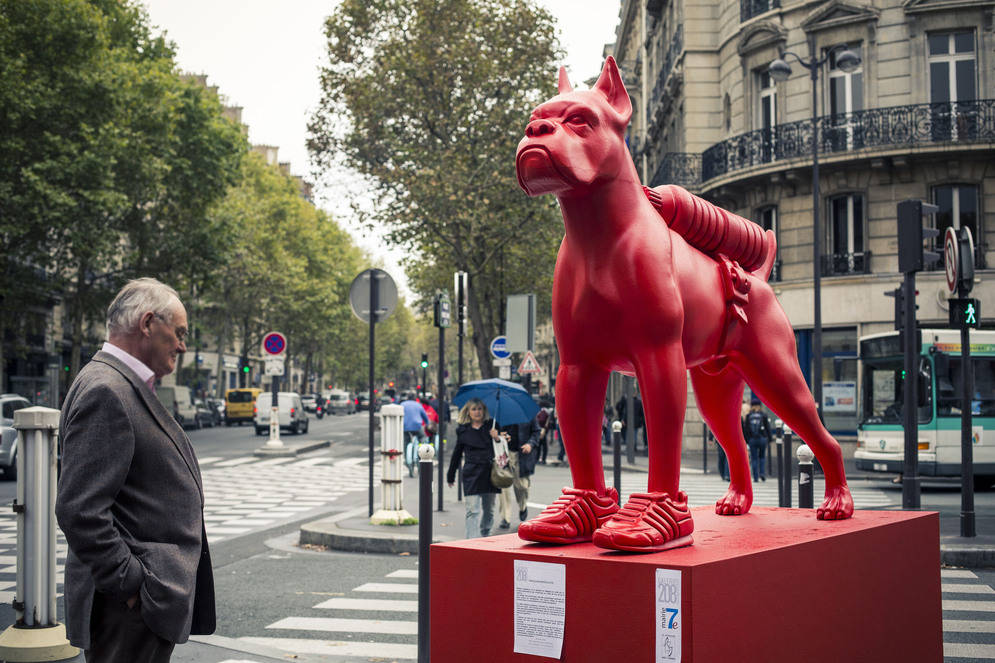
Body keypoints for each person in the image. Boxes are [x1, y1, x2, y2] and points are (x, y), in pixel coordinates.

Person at [55, 278, 215, 663]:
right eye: (178, 333)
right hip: (124, 610)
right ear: (147, 324)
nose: (182, 345)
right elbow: (79, 510)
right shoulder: (107, 391)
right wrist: (132, 586)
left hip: (135, 607)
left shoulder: (120, 384)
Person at [447, 398, 501, 537]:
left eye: (480, 409)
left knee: (489, 510)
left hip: (490, 473)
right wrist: (451, 475)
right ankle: (471, 542)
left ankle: (485, 534)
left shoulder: (492, 426)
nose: (477, 412)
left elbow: (503, 450)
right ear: (468, 412)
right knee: (472, 510)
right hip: (471, 473)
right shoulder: (463, 430)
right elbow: (457, 454)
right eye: (474, 409)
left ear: (484, 411)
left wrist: (497, 438)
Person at [495, 415, 541, 528]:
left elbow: (536, 432)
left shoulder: (528, 414)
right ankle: (505, 518)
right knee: (503, 486)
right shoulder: (502, 413)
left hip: (522, 455)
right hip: (505, 454)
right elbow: (496, 432)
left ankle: (522, 506)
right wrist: (501, 436)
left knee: (522, 486)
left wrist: (530, 444)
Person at [743, 396, 773, 482]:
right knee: (762, 457)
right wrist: (770, 439)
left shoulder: (749, 416)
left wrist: (748, 440)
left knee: (754, 458)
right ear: (760, 406)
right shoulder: (763, 415)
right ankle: (762, 474)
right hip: (762, 439)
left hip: (752, 440)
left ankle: (755, 477)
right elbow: (768, 428)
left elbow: (746, 429)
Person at [400, 392, 429, 474]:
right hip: (417, 427)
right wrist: (427, 424)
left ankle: (406, 459)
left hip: (405, 427)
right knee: (423, 437)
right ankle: (421, 455)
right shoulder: (418, 405)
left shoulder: (402, 404)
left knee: (406, 442)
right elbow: (425, 418)